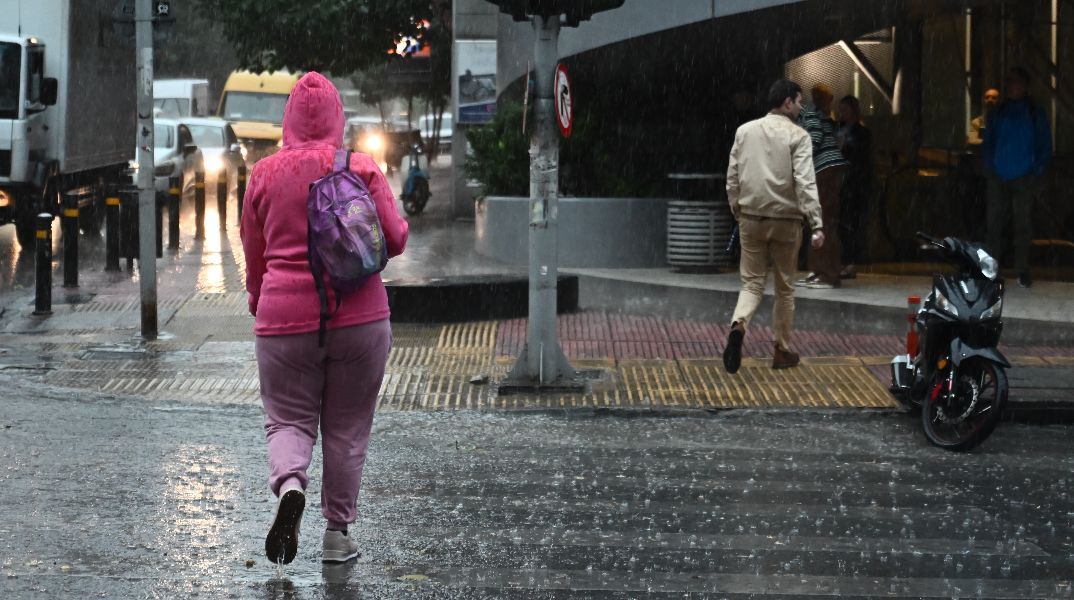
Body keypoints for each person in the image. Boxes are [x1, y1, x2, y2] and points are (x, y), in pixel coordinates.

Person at [241, 72, 409, 565]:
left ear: (287, 120)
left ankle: (291, 485)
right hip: (360, 319)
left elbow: (254, 253)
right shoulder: (361, 168)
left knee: (287, 420)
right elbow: (395, 239)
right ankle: (337, 534)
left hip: (284, 321)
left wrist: (259, 299)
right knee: (347, 428)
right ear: (339, 118)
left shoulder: (263, 174)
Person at [723, 79, 825, 374]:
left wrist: (737, 208)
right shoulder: (799, 136)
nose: (801, 107)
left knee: (752, 283)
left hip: (751, 217)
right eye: (799, 101)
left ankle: (739, 325)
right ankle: (781, 350)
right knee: (785, 288)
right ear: (787, 102)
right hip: (786, 221)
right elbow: (805, 181)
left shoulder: (744, 131)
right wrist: (816, 223)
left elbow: (733, 176)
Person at [982, 67, 1052, 288]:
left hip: (1022, 174)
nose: (1012, 87)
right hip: (1001, 173)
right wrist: (990, 166)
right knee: (995, 223)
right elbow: (989, 142)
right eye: (1010, 82)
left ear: (1025, 86)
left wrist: (1036, 169)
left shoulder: (1033, 112)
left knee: (1021, 224)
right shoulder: (1000, 112)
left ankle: (1021, 269)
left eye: (1016, 82)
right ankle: (992, 269)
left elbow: (1044, 143)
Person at [795, 83, 847, 289]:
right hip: (827, 168)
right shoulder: (818, 114)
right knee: (819, 220)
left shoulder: (807, 111)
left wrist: (799, 160)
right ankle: (818, 270)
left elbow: (815, 137)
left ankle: (828, 274)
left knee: (822, 220)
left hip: (824, 169)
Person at [835, 95, 873, 280]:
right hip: (842, 183)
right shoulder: (839, 130)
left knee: (852, 224)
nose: (842, 113)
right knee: (843, 224)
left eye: (845, 109)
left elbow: (862, 159)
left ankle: (850, 262)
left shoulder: (861, 134)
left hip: (854, 184)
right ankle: (843, 260)